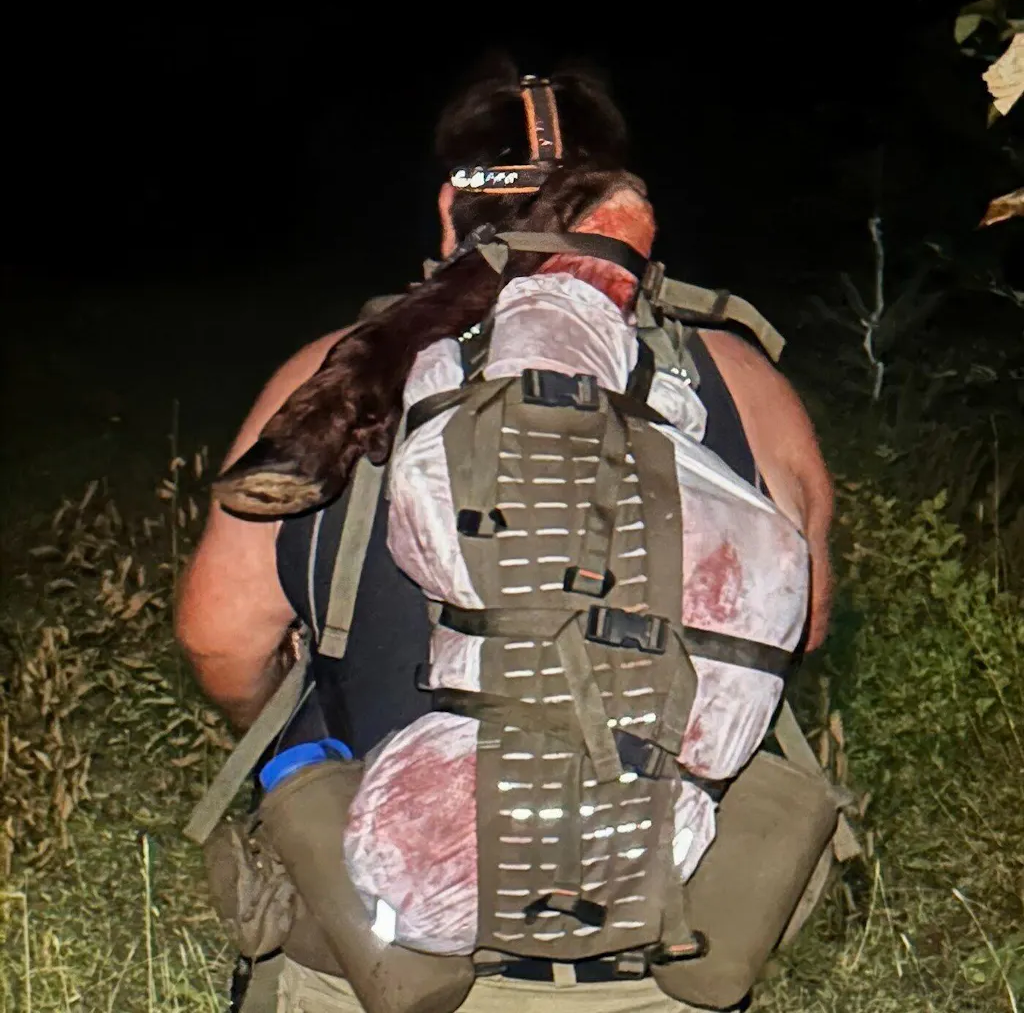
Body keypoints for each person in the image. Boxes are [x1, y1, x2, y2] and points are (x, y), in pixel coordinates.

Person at [175, 58, 835, 1013]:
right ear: (624, 214)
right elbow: (797, 627)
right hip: (661, 945)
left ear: (450, 210)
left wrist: (306, 734)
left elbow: (220, 641)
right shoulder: (740, 379)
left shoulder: (333, 384)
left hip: (388, 957)